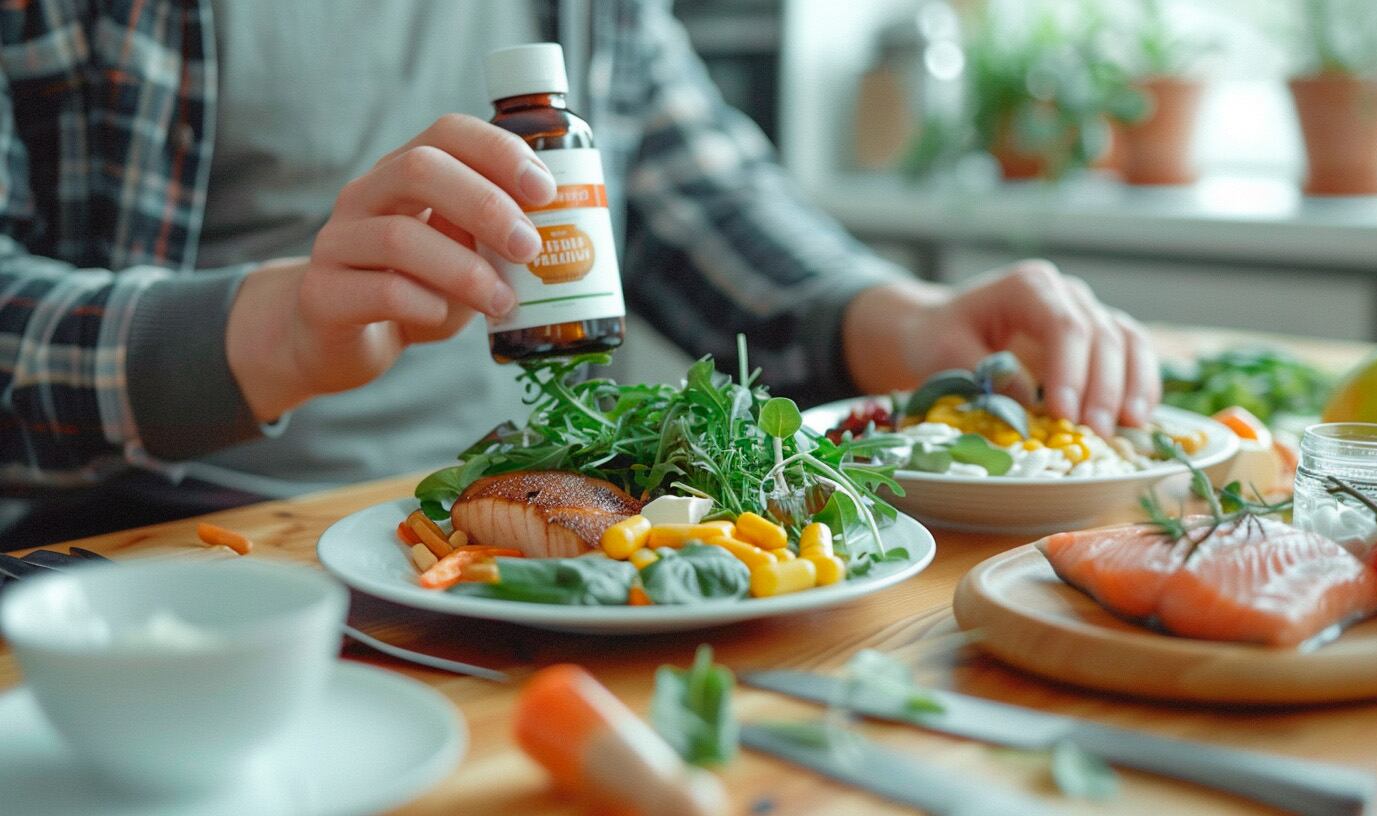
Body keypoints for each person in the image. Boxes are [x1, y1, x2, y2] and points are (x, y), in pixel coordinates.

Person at [0, 0, 1158, 548]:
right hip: (162, 544)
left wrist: (902, 321)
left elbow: (697, 190)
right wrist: (260, 336)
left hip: (532, 525)